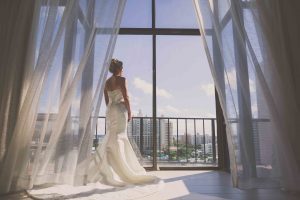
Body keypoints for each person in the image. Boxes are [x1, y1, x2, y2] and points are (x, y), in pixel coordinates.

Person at [87, 58, 158, 187]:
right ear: (119, 69)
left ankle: (108, 167)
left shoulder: (106, 82)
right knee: (120, 136)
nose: (123, 70)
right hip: (120, 109)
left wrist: (111, 109)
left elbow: (106, 101)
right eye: (122, 68)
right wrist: (129, 112)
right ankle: (122, 168)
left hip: (110, 110)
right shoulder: (122, 80)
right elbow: (126, 97)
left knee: (111, 136)